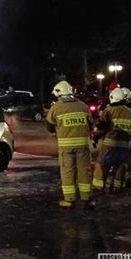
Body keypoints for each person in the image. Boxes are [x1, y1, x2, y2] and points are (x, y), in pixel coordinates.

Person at [46, 80, 94, 209]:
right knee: (84, 171)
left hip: (66, 147)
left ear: (59, 94)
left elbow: (49, 127)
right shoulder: (83, 106)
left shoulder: (56, 108)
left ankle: (70, 199)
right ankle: (86, 198)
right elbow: (91, 125)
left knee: (67, 171)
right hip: (83, 146)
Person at [92, 88, 131, 193]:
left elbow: (100, 128)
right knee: (120, 166)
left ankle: (98, 186)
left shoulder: (108, 111)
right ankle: (118, 187)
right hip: (124, 146)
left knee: (102, 164)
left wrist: (95, 139)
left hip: (109, 145)